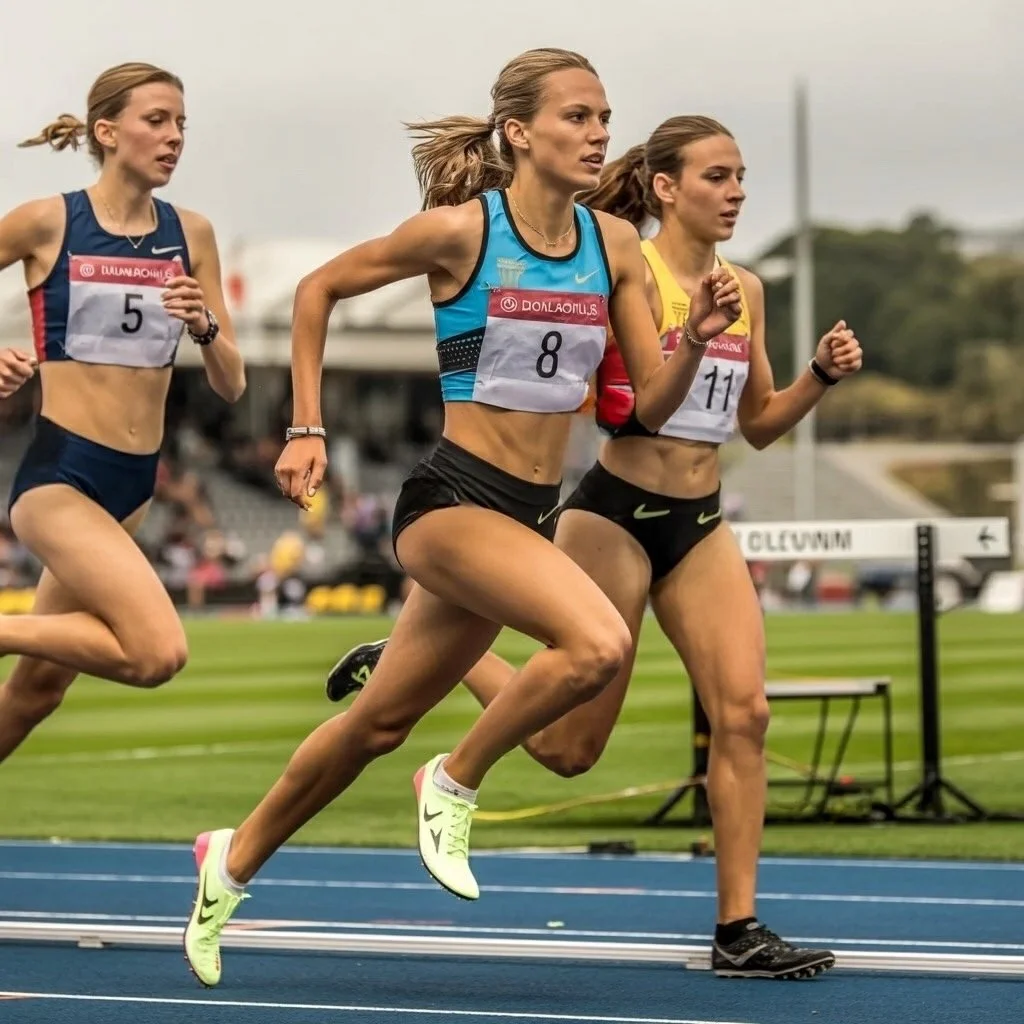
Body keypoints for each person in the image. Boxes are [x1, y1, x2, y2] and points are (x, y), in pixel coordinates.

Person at [183, 49, 742, 988]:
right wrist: (307, 427)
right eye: (577, 116)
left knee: (375, 724)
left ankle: (228, 862)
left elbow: (647, 402)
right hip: (449, 501)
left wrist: (700, 342)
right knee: (597, 645)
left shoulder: (611, 246)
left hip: (528, 513)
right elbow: (317, 289)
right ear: (520, 132)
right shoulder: (458, 234)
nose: (598, 132)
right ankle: (454, 782)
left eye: (604, 116)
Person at [324, 115, 864, 981]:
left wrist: (820, 378)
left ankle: (738, 929)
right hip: (614, 513)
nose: (737, 193)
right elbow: (621, 409)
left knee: (746, 714)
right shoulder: (619, 266)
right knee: (569, 750)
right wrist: (681, 339)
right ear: (665, 188)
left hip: (700, 519)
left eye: (741, 177)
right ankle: (428, 659)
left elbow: (757, 426)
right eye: (718, 177)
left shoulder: (747, 289)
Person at [0, 62, 245, 762]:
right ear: (107, 132)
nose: (174, 139)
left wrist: (203, 327)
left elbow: (232, 383)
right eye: (157, 121)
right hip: (61, 477)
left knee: (37, 692)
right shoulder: (50, 221)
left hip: (133, 486)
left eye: (181, 125)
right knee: (154, 652)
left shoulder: (189, 233)